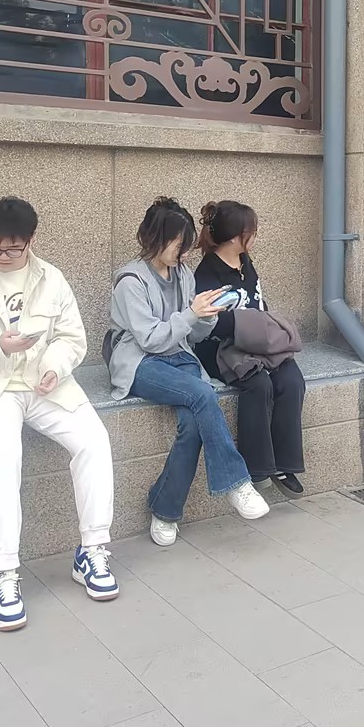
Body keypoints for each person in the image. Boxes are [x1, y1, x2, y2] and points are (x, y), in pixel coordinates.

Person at [0, 198, 117, 633]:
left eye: (11, 248)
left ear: (30, 241)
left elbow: (71, 337)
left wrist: (54, 366)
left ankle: (92, 550)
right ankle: (4, 574)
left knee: (94, 440)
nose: (1, 255)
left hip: (44, 384)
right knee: (1, 456)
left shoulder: (51, 278)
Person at [108, 197, 270, 548]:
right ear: (152, 237)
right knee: (202, 393)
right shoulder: (130, 281)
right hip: (140, 362)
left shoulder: (182, 273)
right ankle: (237, 483)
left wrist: (207, 316)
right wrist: (191, 314)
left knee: (194, 423)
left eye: (184, 243)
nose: (181, 251)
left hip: (179, 356)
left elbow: (191, 335)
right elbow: (150, 339)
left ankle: (164, 509)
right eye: (175, 242)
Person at [193, 200, 307, 496]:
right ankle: (257, 468)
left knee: (292, 380)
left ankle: (285, 463)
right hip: (221, 349)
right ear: (235, 237)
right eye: (251, 232)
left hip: (256, 343)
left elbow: (257, 302)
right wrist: (251, 325)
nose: (255, 237)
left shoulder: (245, 261)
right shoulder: (208, 273)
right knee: (258, 384)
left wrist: (262, 328)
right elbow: (210, 324)